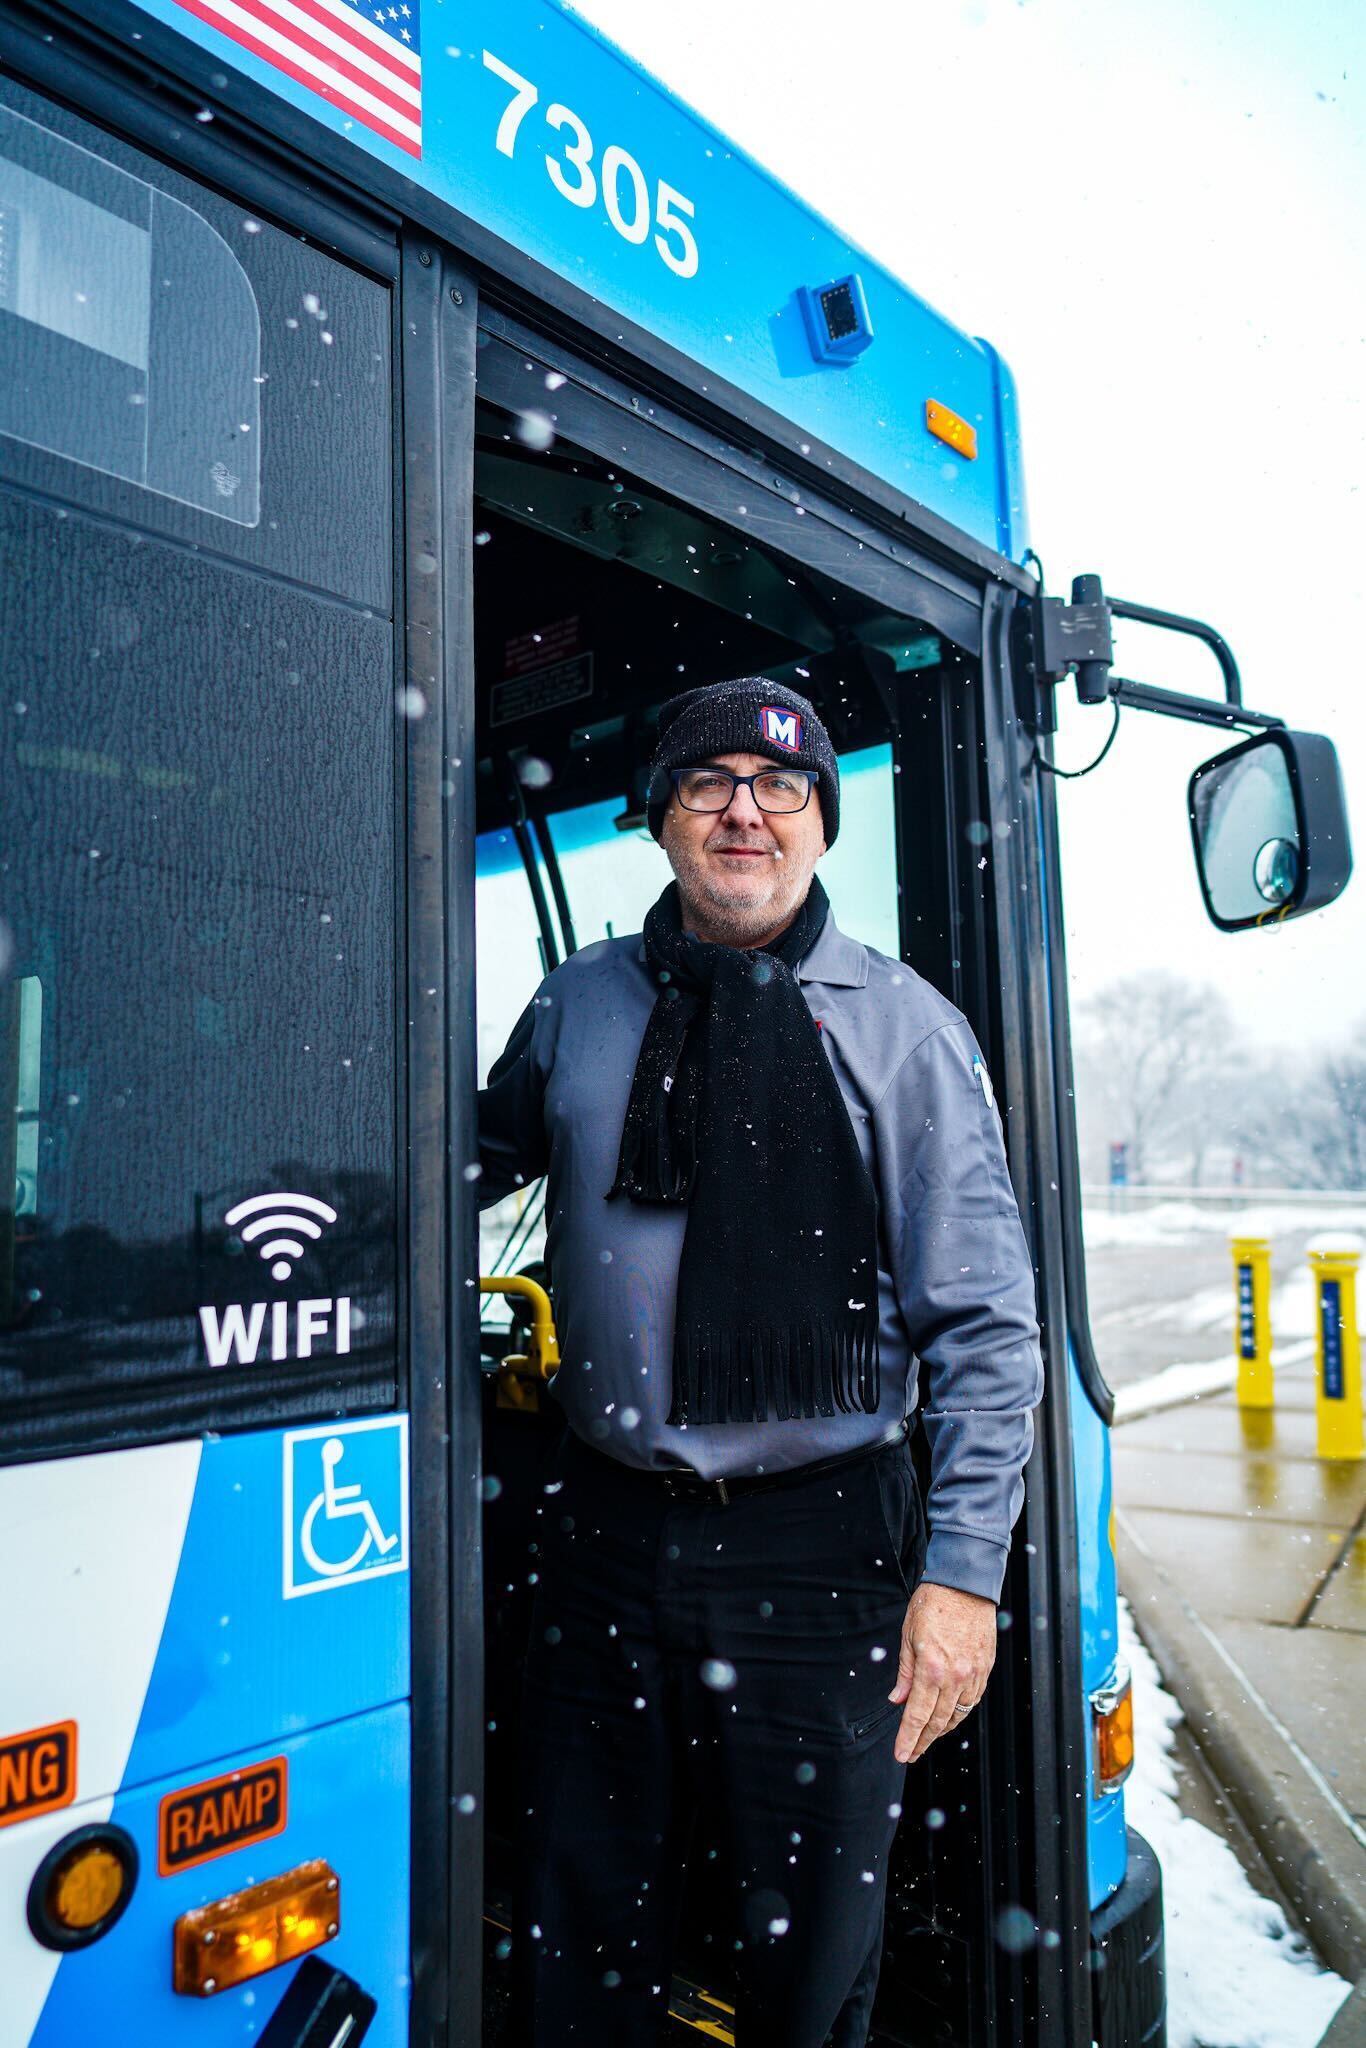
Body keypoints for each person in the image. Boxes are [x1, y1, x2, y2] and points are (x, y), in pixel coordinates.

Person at [478, 676, 1044, 2047]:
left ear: (819, 822)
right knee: (578, 1916)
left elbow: (985, 1328)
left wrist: (963, 1577)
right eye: (709, 782)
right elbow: (460, 1170)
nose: (747, 812)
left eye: (781, 786)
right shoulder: (579, 1003)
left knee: (807, 1955)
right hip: (602, 1527)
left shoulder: (905, 1030)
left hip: (819, 1547)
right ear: (659, 816)